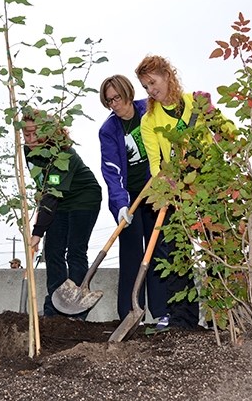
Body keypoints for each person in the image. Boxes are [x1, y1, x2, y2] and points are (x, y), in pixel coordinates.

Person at [135, 55, 235, 329]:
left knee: (218, 248)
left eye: (153, 82)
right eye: (145, 86)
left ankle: (223, 318)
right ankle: (184, 319)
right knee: (176, 252)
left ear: (168, 76)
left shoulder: (196, 103)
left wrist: (212, 113)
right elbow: (156, 164)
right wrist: (164, 181)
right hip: (178, 191)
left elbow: (228, 135)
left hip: (210, 184)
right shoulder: (149, 120)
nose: (150, 90)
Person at [98, 75, 172, 327]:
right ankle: (129, 313)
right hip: (130, 197)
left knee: (159, 248)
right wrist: (120, 205)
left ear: (127, 93)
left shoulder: (148, 109)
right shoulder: (109, 130)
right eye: (109, 101)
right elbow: (111, 171)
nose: (114, 105)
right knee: (132, 253)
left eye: (117, 98)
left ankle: (163, 311)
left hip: (157, 190)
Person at [22, 109, 102, 319]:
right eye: (25, 134)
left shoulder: (63, 153)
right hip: (58, 201)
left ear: (47, 131)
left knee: (75, 251)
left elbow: (51, 196)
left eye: (33, 133)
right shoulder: (28, 150)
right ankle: (55, 310)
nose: (29, 139)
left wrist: (37, 232)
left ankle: (75, 310)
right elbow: (43, 187)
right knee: (53, 250)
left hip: (84, 198)